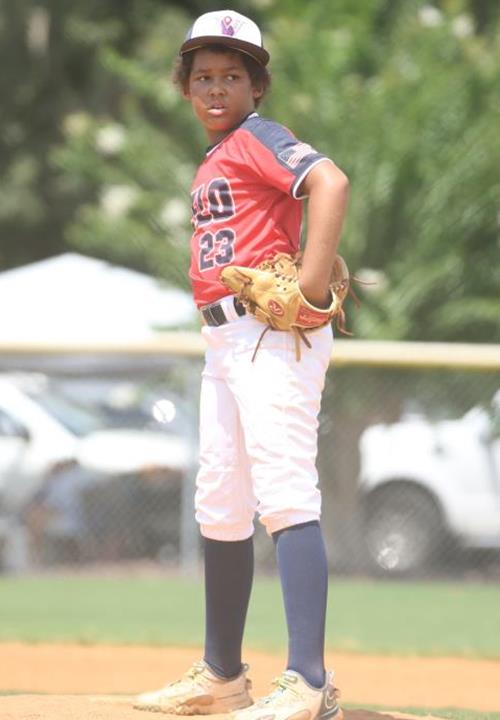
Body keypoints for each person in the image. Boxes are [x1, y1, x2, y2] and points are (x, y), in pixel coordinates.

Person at [135, 9, 349, 720]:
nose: (216, 88)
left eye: (232, 75)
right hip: (225, 342)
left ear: (257, 86)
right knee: (222, 501)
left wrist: (310, 285)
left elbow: (331, 182)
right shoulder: (217, 155)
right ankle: (222, 675)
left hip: (268, 335)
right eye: (203, 76)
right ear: (185, 88)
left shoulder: (258, 137)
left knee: (285, 493)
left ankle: (309, 682)